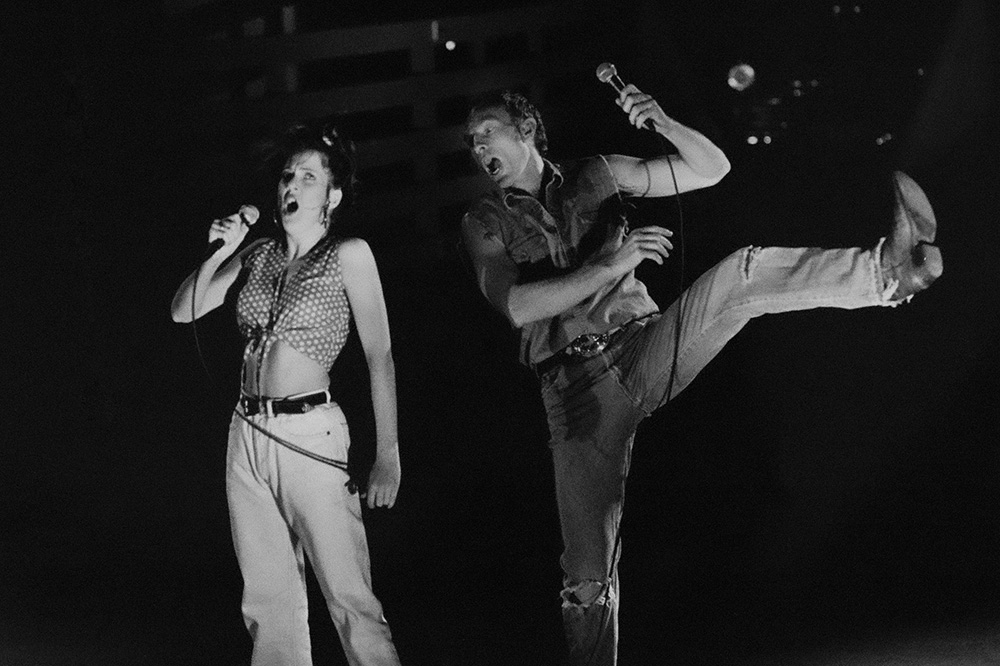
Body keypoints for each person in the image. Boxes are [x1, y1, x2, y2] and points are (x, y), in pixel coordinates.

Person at [460, 88, 942, 665]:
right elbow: (517, 307)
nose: (478, 146)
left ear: (526, 129)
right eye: (472, 141)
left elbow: (712, 169)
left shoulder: (599, 174)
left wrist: (664, 122)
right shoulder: (483, 221)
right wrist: (613, 263)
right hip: (575, 395)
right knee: (587, 575)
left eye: (487, 131)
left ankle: (886, 275)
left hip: (643, 347)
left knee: (741, 275)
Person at [171, 122, 402, 666]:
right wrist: (221, 251)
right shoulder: (258, 253)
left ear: (332, 196)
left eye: (307, 177)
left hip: (310, 433)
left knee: (347, 593)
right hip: (247, 432)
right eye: (286, 176)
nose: (291, 185)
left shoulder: (348, 253)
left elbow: (380, 355)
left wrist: (388, 453)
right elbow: (184, 310)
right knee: (268, 598)